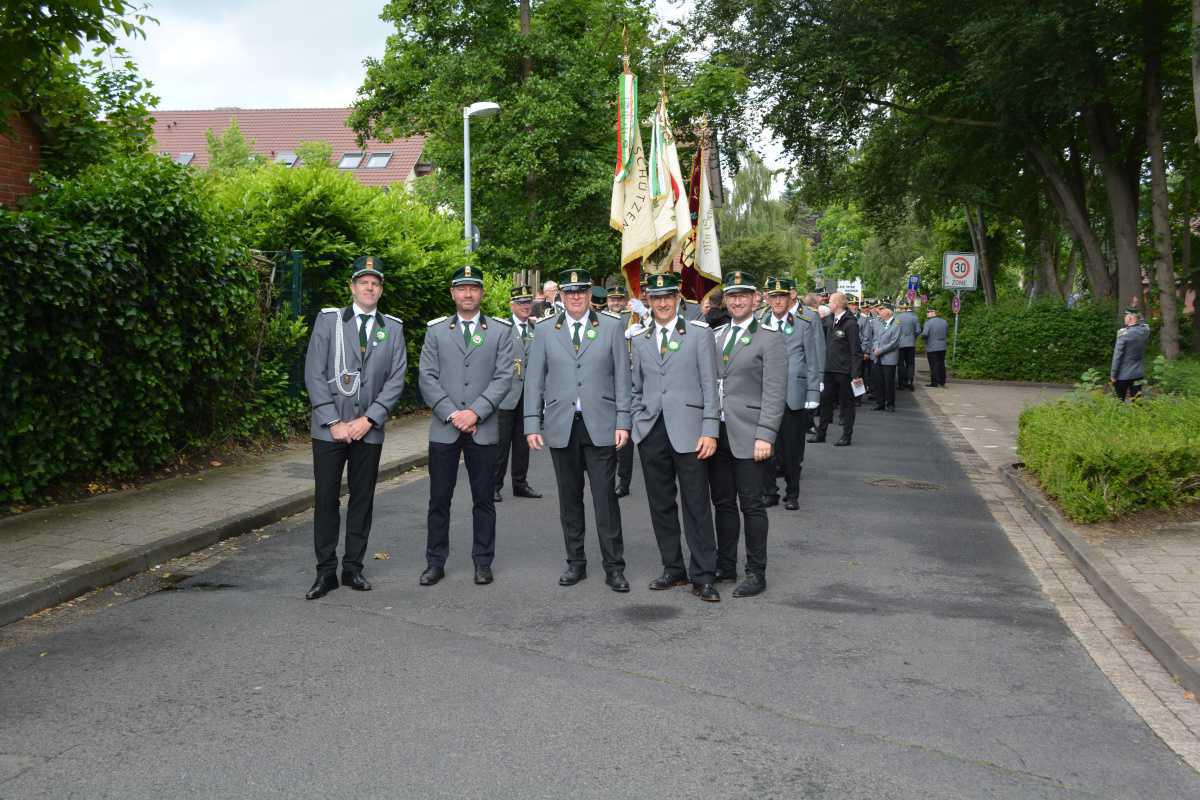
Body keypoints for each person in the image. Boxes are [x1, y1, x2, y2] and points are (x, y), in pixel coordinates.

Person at [303, 256, 408, 600]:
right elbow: (314, 372)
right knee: (326, 500)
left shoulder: (392, 328)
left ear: (380, 289)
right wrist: (333, 421)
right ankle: (325, 572)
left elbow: (396, 380)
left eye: (375, 283)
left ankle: (353, 568)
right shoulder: (329, 321)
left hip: (369, 429)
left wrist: (369, 419)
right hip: (330, 430)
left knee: (362, 500)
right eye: (363, 282)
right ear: (352, 287)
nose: (369, 287)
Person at [525, 267, 633, 592]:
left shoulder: (612, 327)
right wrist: (532, 422)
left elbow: (623, 378)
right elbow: (534, 380)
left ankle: (614, 567)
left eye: (581, 291)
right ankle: (576, 563)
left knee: (605, 500)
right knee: (569, 500)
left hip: (600, 425)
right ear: (561, 296)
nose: (575, 297)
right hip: (561, 426)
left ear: (589, 295)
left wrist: (624, 421)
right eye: (570, 292)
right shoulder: (545, 330)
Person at [418, 265, 515, 586]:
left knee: (484, 500)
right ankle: (435, 562)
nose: (468, 294)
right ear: (453, 293)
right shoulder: (435, 331)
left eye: (473, 288)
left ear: (482, 293)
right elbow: (427, 378)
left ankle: (483, 562)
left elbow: (504, 377)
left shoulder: (500, 331)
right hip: (444, 427)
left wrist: (475, 412)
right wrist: (452, 413)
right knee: (439, 500)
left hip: (483, 428)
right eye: (462, 289)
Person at [630, 272, 722, 602]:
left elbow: (711, 387)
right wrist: (639, 424)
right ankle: (673, 568)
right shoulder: (639, 338)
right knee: (660, 504)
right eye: (656, 298)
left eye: (668, 297)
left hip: (691, 431)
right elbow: (636, 387)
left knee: (696, 504)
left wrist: (710, 430)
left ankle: (704, 575)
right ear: (648, 302)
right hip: (652, 431)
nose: (663, 303)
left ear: (678, 299)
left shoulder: (698, 334)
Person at [710, 271, 787, 598]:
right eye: (731, 296)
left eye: (743, 295)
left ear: (756, 299)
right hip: (718, 432)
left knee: (752, 505)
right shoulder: (716, 335)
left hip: (751, 435)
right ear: (725, 300)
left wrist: (766, 435)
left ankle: (756, 572)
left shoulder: (769, 338)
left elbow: (774, 391)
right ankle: (726, 564)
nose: (737, 301)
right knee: (723, 502)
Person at [759, 277, 822, 510]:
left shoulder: (805, 322)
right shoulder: (760, 321)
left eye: (781, 296)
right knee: (765, 446)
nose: (777, 301)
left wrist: (814, 392)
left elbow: (813, 359)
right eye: (773, 296)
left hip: (793, 394)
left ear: (790, 298)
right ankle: (769, 491)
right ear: (768, 298)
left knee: (792, 449)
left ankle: (792, 493)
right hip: (765, 394)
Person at [494, 285, 543, 502]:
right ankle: (494, 485)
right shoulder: (501, 328)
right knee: (501, 445)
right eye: (521, 303)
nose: (525, 306)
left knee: (523, 444)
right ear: (511, 305)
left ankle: (520, 483)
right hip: (506, 395)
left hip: (528, 396)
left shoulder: (536, 330)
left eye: (527, 302)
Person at [810, 291, 862, 447]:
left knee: (847, 405)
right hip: (829, 369)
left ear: (838, 304)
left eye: (831, 302)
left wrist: (856, 374)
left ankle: (847, 435)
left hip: (845, 372)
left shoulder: (850, 323)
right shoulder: (828, 320)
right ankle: (821, 433)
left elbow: (856, 351)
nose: (828, 304)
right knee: (825, 402)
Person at [1111, 306, 1151, 400]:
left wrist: (1113, 375)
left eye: (1126, 316)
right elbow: (1143, 323)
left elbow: (1117, 356)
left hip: (1122, 375)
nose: (1124, 318)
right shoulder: (1145, 331)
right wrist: (1137, 312)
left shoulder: (1123, 334)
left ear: (1129, 318)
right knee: (1137, 403)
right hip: (1138, 374)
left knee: (1118, 403)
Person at [872, 303, 900, 412]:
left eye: (881, 310)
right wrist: (875, 347)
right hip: (878, 356)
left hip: (889, 357)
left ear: (888, 312)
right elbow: (875, 337)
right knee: (879, 381)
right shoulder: (880, 322)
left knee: (889, 382)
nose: (879, 312)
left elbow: (895, 342)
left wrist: (881, 350)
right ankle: (880, 403)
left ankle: (890, 404)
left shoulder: (897, 323)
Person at [922, 307, 949, 387]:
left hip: (932, 347)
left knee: (933, 365)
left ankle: (934, 382)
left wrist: (923, 337)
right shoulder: (944, 322)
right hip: (943, 347)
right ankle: (942, 381)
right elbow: (946, 332)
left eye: (928, 312)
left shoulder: (928, 322)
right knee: (941, 364)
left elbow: (925, 334)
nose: (927, 313)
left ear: (932, 313)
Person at [896, 303, 921, 390]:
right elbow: (918, 331)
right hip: (911, 343)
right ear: (907, 308)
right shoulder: (914, 317)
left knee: (900, 364)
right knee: (910, 363)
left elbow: (895, 330)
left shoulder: (897, 318)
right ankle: (910, 381)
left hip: (900, 344)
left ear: (900, 308)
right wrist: (913, 337)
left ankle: (901, 383)